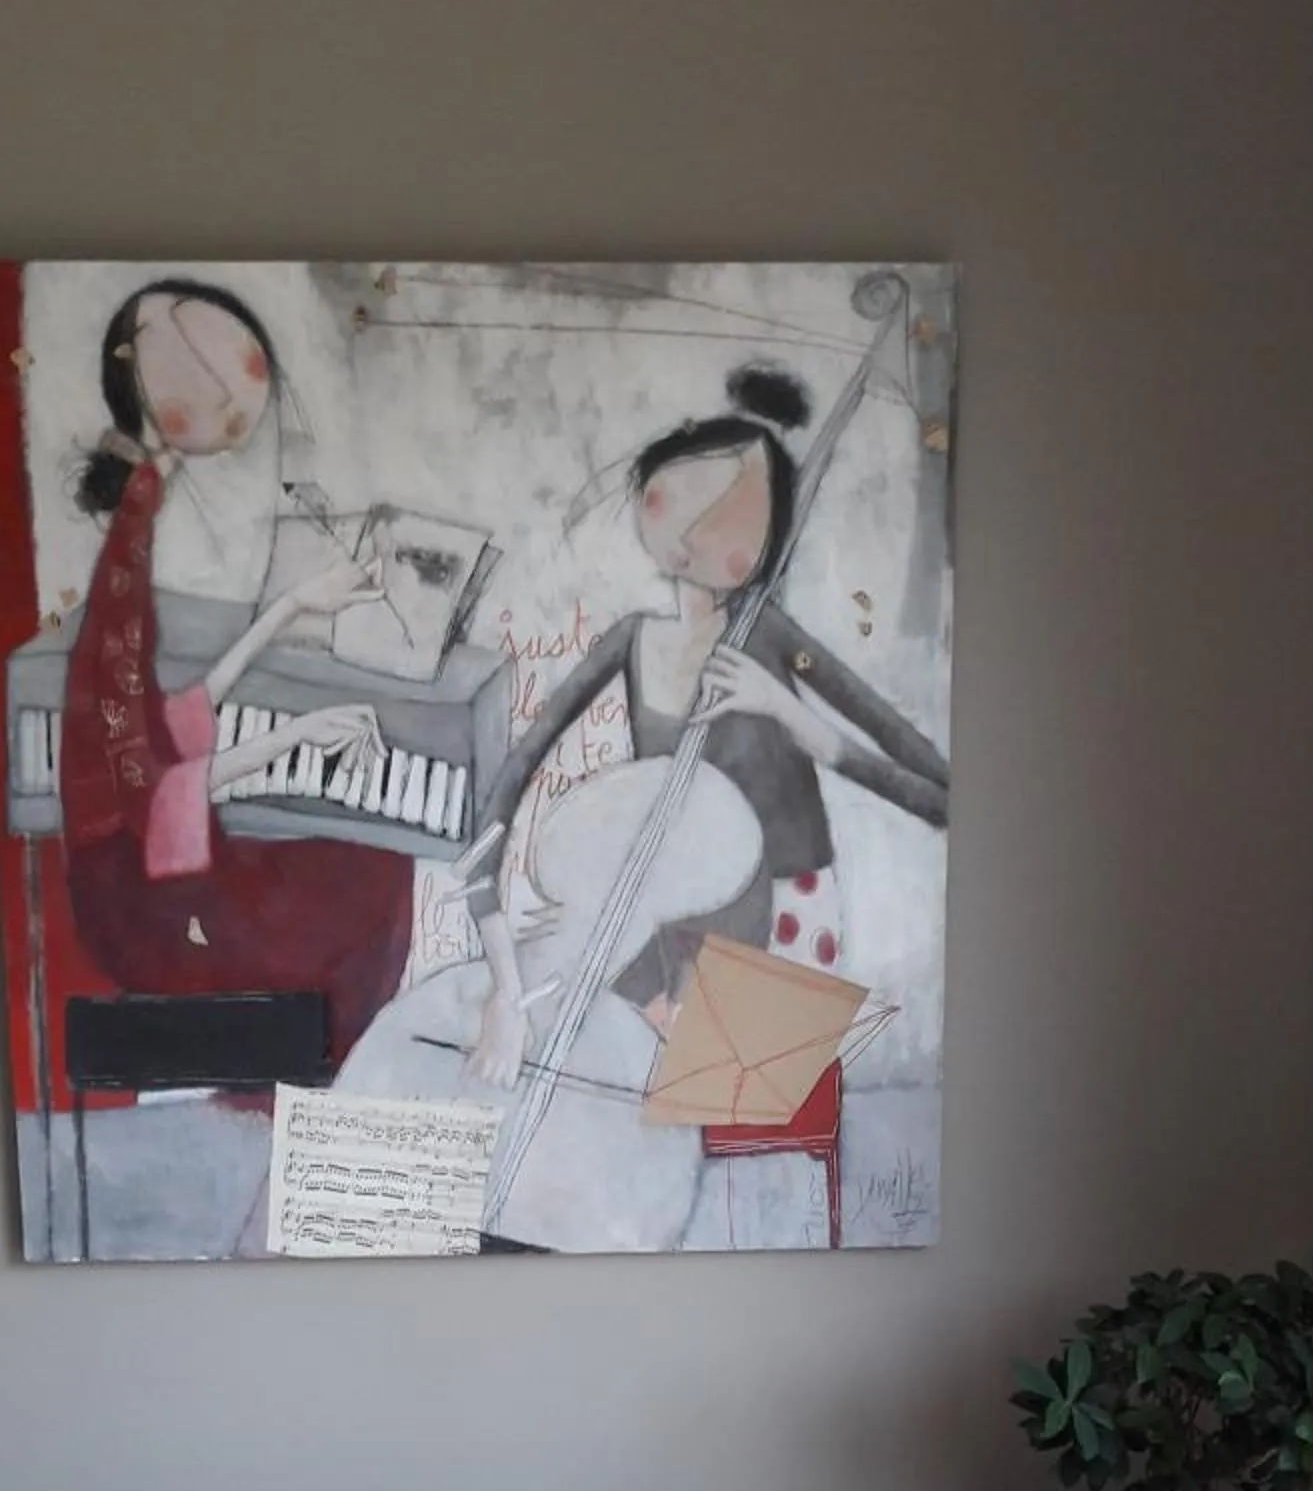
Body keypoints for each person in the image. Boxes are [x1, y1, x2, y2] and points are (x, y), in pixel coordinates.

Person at [466, 364, 949, 1087]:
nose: (696, 526)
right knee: (590, 1057)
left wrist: (792, 715)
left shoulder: (769, 636)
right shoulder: (631, 640)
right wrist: (503, 980)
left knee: (700, 1099)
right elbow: (509, 786)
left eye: (731, 510)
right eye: (685, 494)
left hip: (778, 919)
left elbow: (940, 795)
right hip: (666, 916)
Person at [59, 277, 415, 1068]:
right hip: (142, 909)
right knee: (371, 870)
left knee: (365, 857)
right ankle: (312, 1079)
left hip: (145, 871)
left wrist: (290, 606)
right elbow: (153, 791)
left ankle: (319, 1077)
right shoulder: (131, 536)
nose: (226, 394)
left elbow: (160, 723)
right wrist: (293, 736)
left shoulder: (138, 520)